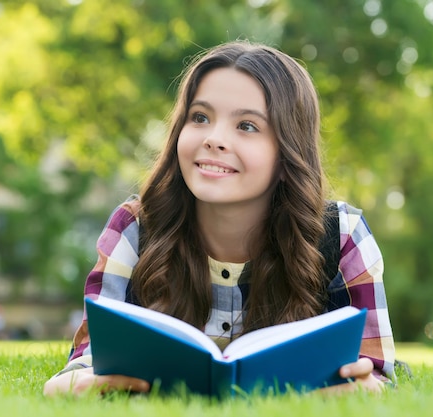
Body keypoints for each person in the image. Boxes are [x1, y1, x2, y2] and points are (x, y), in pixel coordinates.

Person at [44, 40, 396, 397]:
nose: (214, 139)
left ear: (288, 153)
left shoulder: (343, 235)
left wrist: (363, 387)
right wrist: (70, 386)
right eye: (200, 117)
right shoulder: (133, 228)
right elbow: (87, 360)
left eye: (246, 126)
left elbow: (377, 372)